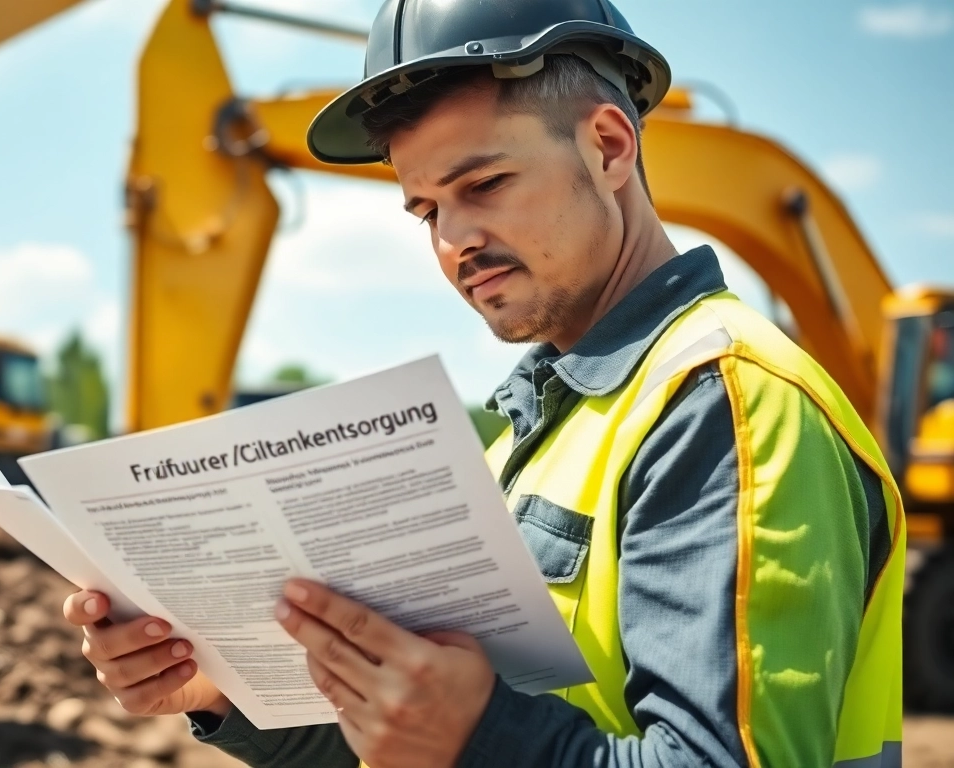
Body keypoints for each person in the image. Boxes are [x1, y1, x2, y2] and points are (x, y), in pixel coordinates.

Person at [62, 0, 906, 765]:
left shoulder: (722, 398)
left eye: (485, 184)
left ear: (609, 146)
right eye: (427, 210)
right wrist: (223, 692)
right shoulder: (534, 432)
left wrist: (479, 734)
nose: (454, 240)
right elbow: (413, 743)